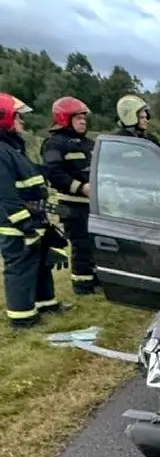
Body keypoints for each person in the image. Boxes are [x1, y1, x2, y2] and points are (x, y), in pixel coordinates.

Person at [0, 93, 71, 329]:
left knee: (40, 263)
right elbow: (6, 195)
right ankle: (23, 319)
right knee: (20, 269)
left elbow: (28, 179)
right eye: (18, 116)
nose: (22, 121)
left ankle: (46, 304)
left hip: (32, 217)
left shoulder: (12, 147)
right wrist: (24, 225)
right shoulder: (1, 150)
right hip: (14, 224)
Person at [40, 96, 98, 295]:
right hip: (72, 204)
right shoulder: (54, 144)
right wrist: (80, 187)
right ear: (65, 118)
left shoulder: (89, 143)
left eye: (84, 117)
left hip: (93, 203)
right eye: (78, 118)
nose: (83, 121)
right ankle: (82, 285)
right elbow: (54, 174)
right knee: (81, 244)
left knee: (94, 243)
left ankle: (94, 278)